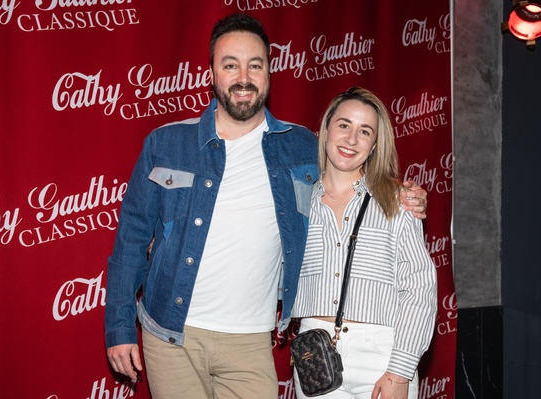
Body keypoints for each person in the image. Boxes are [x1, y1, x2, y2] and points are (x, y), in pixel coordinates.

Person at [104, 14, 428, 399]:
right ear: (211, 73)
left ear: (270, 72)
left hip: (250, 341)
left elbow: (353, 171)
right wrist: (119, 328)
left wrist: (402, 192)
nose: (243, 77)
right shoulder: (165, 144)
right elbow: (131, 242)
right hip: (169, 335)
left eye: (254, 65)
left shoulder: (303, 147)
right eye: (230, 65)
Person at [291, 87, 437, 399]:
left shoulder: (397, 202)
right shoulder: (298, 204)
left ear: (373, 146)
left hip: (383, 354)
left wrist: (401, 371)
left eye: (364, 131)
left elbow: (419, 288)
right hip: (315, 354)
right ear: (327, 129)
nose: (351, 139)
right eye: (344, 125)